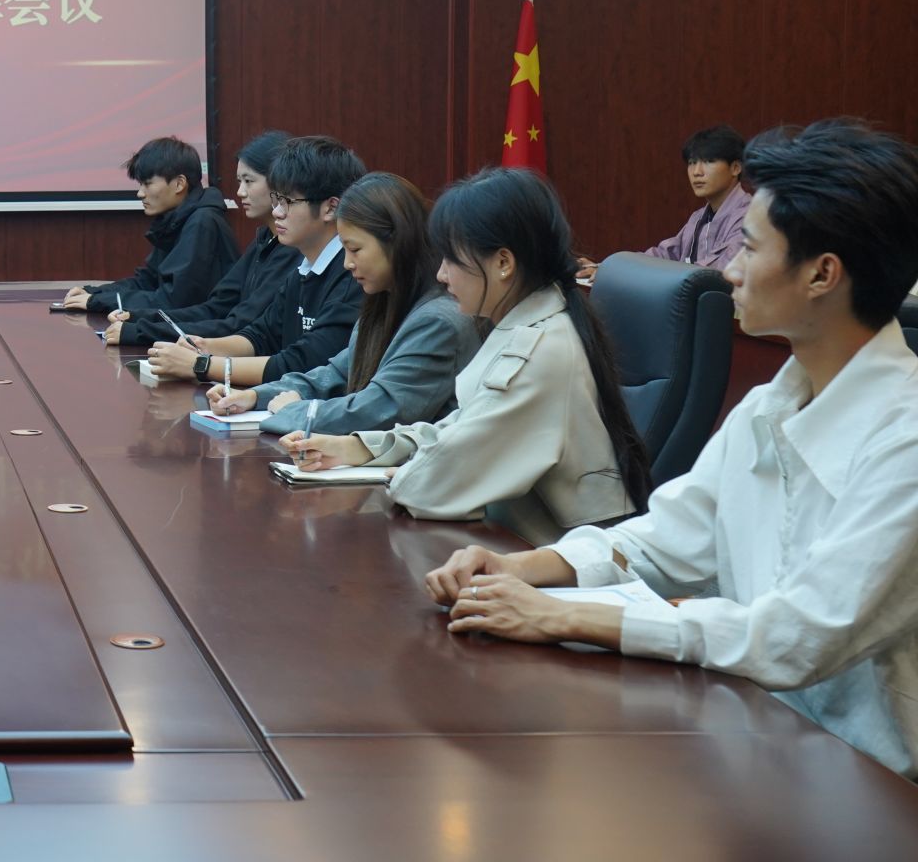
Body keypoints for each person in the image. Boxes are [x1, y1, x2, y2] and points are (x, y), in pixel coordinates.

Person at [425, 119, 918, 780]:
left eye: (749, 249)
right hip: (749, 734)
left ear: (822, 274)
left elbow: (797, 636)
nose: (730, 270)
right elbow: (662, 540)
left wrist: (565, 616)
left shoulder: (904, 438)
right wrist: (524, 568)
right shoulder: (768, 406)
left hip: (868, 783)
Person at [282, 166, 644, 544]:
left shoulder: (538, 351)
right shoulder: (522, 324)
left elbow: (432, 484)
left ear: (503, 263)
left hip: (554, 554)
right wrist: (356, 448)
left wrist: (404, 474)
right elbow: (460, 427)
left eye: (452, 259)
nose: (441, 274)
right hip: (512, 540)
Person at [206, 172, 482, 435]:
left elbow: (382, 410)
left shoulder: (437, 320)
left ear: (397, 242)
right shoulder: (385, 300)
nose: (347, 263)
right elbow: (335, 374)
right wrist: (255, 396)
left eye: (355, 249)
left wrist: (299, 412)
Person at [143, 135, 364, 387]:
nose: (277, 212)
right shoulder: (304, 269)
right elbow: (262, 335)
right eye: (276, 200)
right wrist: (204, 346)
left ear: (330, 208)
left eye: (287, 202)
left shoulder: (353, 274)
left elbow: (304, 363)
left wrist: (202, 365)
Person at [106, 130, 298, 347]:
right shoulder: (264, 238)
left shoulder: (292, 247)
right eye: (239, 181)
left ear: (281, 183)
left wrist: (142, 330)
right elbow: (216, 308)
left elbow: (239, 325)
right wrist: (136, 317)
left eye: (248, 181)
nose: (240, 192)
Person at [59, 137, 237, 315]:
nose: (140, 193)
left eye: (148, 184)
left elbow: (171, 301)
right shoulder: (178, 219)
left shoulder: (202, 222)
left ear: (179, 184)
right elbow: (147, 282)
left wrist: (98, 301)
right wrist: (94, 293)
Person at [579, 125, 750, 277]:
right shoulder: (698, 217)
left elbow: (716, 273)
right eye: (692, 162)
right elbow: (665, 255)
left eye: (708, 161)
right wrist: (608, 268)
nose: (697, 172)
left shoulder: (750, 216)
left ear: (735, 168)